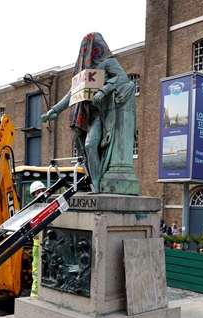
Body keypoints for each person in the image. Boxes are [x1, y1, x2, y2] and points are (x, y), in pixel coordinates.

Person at [40, 32, 137, 193]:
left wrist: (104, 91)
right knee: (86, 151)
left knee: (90, 145)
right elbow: (72, 93)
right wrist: (54, 111)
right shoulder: (83, 71)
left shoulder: (107, 62)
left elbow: (123, 78)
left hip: (102, 113)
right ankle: (94, 183)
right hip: (86, 116)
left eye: (88, 45)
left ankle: (97, 185)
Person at [29, 181, 47, 296]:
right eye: (38, 192)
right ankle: (34, 297)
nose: (41, 194)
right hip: (37, 246)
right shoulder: (33, 210)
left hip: (45, 246)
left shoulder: (47, 206)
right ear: (33, 195)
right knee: (36, 274)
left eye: (42, 191)